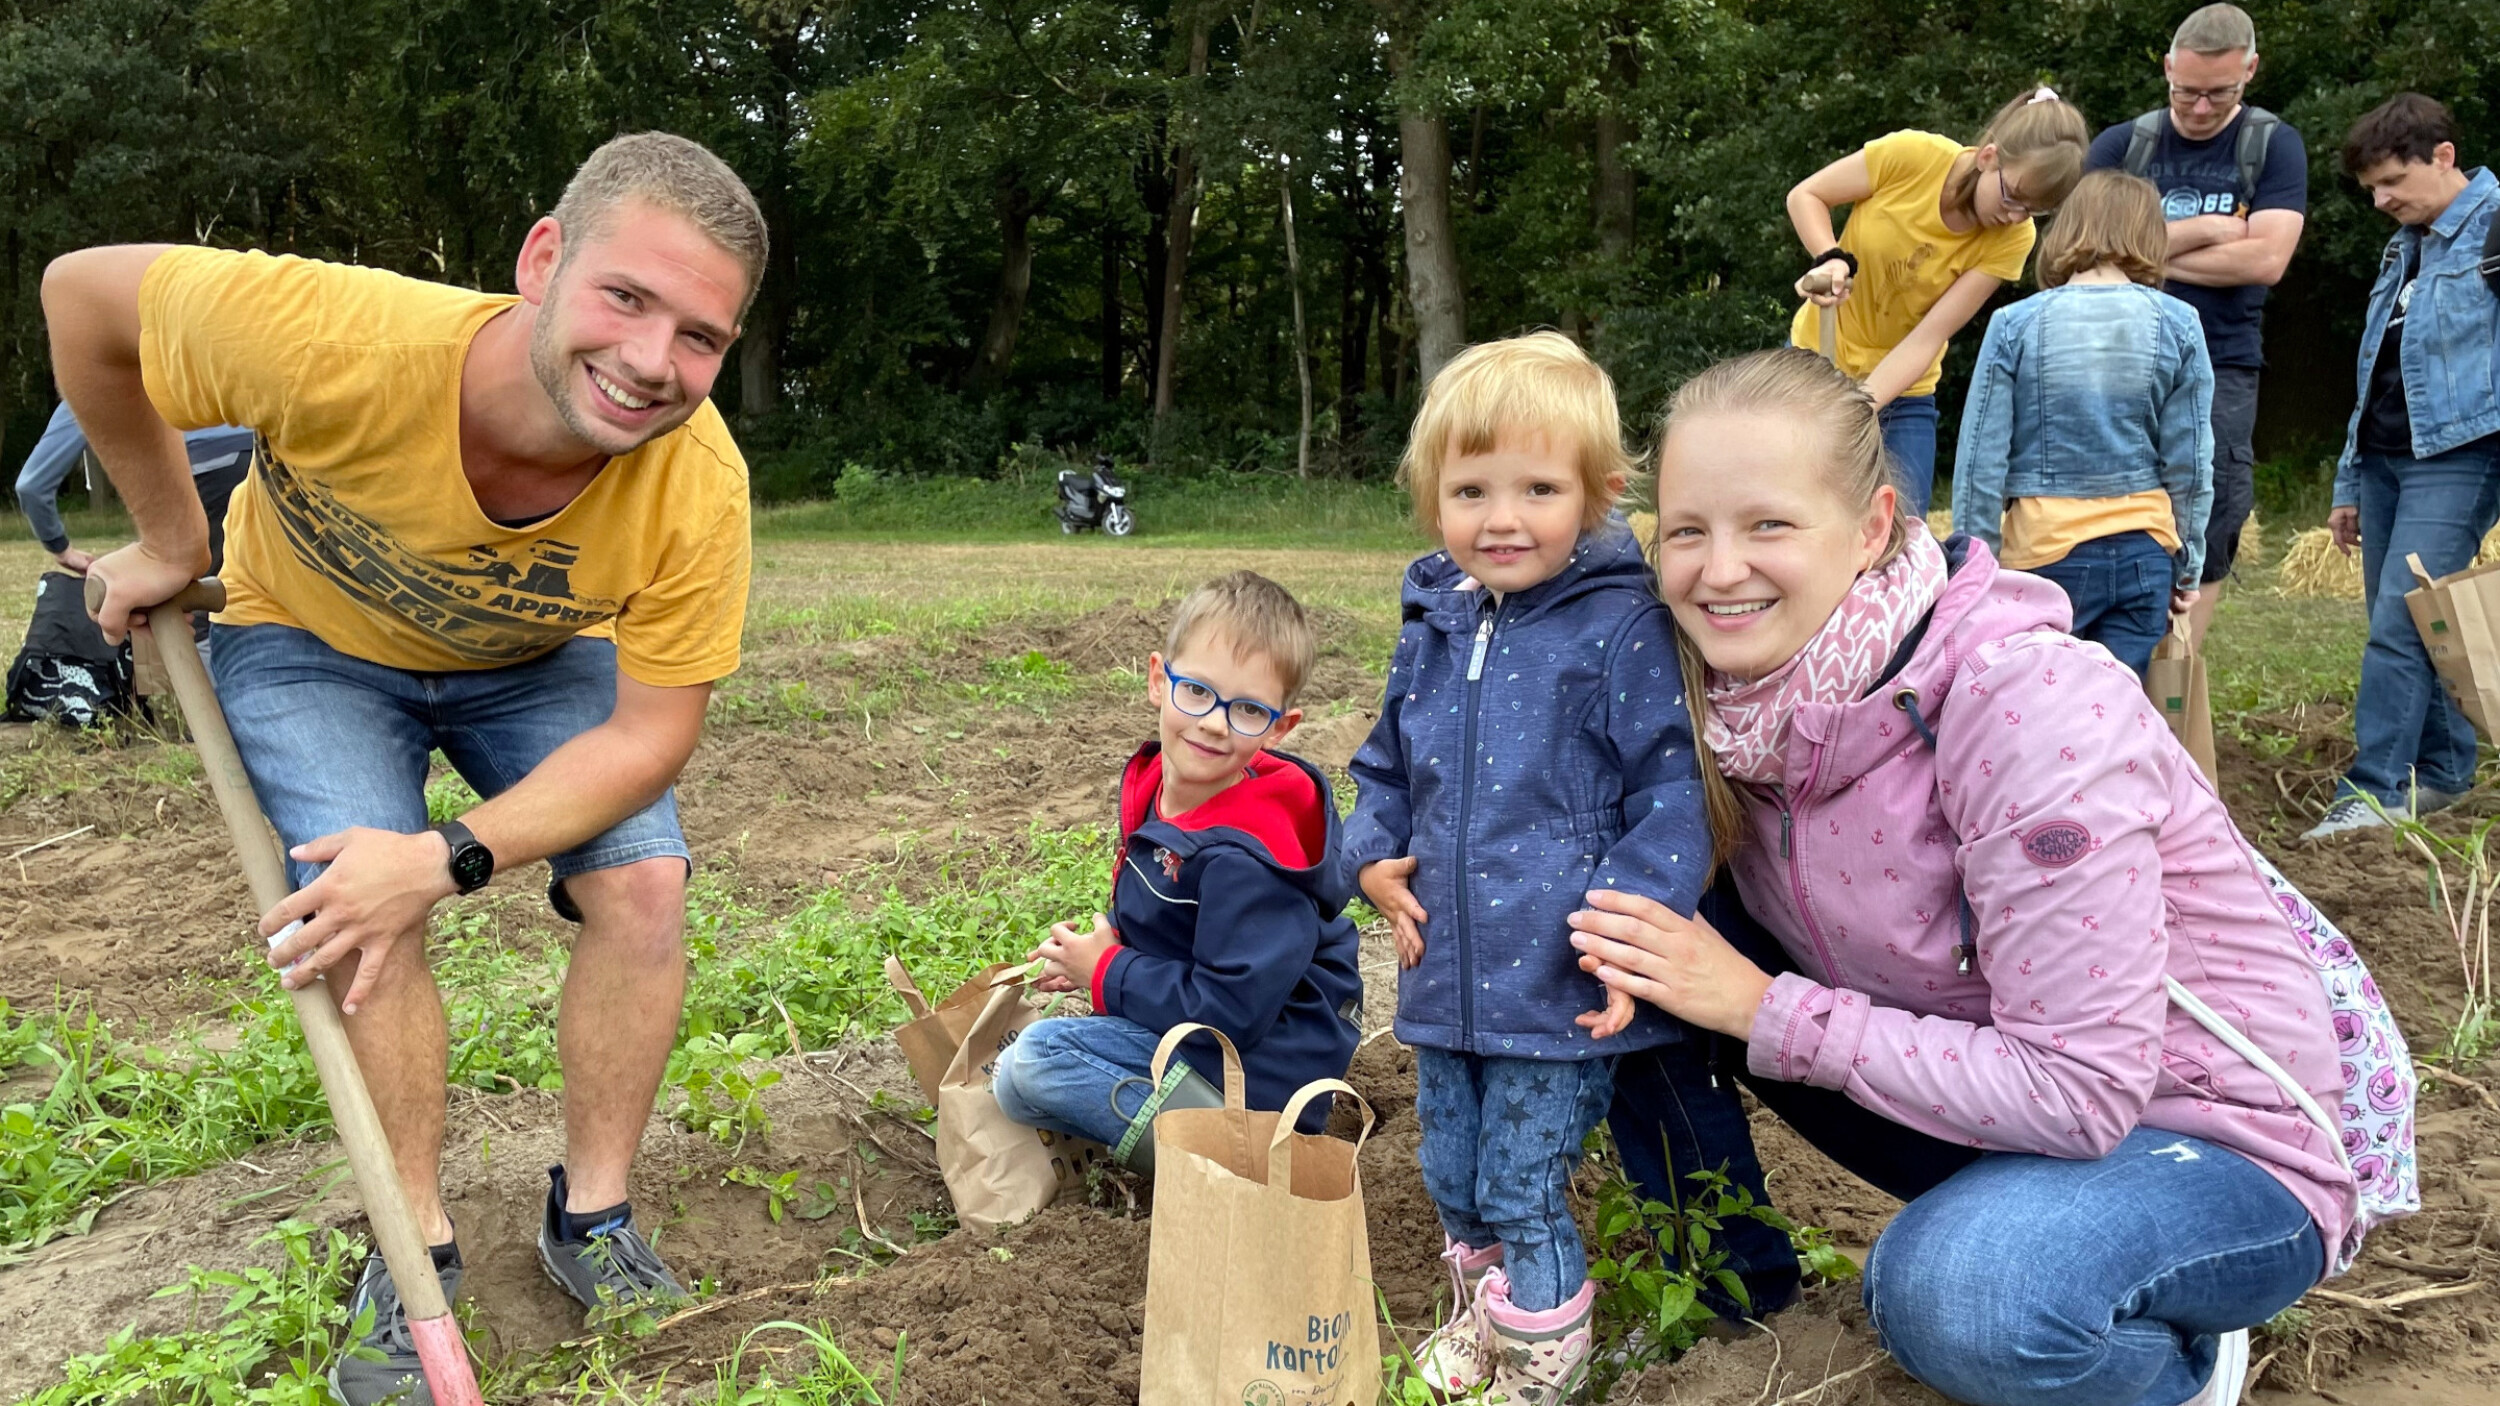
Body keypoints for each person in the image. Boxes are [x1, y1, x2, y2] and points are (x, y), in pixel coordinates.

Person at [43, 132, 763, 1405]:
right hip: (308, 637)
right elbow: (82, 296)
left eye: (700, 336)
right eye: (626, 297)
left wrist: (444, 855)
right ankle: (412, 1250)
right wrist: (172, 532)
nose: (655, 361)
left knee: (644, 885)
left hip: (537, 658)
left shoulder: (696, 486)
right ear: (545, 260)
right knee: (356, 922)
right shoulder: (334, 336)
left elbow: (650, 732)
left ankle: (591, 1217)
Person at [1573, 348, 2362, 1406]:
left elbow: (2082, 1091)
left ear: (1870, 528)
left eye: (1768, 525)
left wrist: (1764, 1007)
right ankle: (1734, 1301)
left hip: (2206, 1135)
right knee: (1621, 924)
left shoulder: (2020, 702)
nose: (1719, 569)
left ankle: (2169, 1357)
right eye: (1686, 531)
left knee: (1965, 1296)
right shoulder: (1728, 707)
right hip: (1984, 1096)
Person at [1343, 331, 1714, 1403]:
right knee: (1449, 1172)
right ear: (1430, 498)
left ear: (1598, 495)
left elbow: (1671, 786)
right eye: (1470, 489)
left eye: (1537, 487)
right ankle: (1481, 1320)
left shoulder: (1620, 627)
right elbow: (1383, 766)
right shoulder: (1432, 619)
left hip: (1556, 975)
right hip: (1441, 970)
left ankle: (1543, 1370)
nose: (1501, 517)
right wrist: (1371, 857)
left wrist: (1629, 932)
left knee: (1521, 1180)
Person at [993, 571, 1364, 1159]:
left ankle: (1240, 1158)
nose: (1214, 722)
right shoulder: (1160, 787)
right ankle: (1183, 1133)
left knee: (1036, 1062)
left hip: (1263, 1072)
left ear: (1281, 727)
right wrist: (1109, 949)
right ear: (1159, 679)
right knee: (1017, 1082)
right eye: (1197, 691)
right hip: (1209, 1042)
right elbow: (1184, 922)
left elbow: (1230, 1012)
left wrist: (1111, 972)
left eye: (1247, 709)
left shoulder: (1254, 854)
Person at [2304, 95, 2500, 842]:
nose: (2381, 201)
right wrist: (2350, 482)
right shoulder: (2403, 246)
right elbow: (2375, 370)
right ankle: (2445, 771)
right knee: (2416, 621)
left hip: (2459, 455)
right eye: (2372, 190)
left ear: (2443, 156)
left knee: (2398, 624)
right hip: (2385, 459)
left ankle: (2374, 790)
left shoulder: (2495, 230)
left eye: (2392, 182)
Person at [2085, 4, 2309, 648]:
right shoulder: (2123, 145)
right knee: (2108, 505)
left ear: (2251, 72)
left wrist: (2139, 248)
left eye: (2221, 94)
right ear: (2166, 70)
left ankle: (2178, 667)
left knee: (2210, 511)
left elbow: (2266, 259)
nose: (2202, 109)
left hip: (2223, 363)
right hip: (2113, 360)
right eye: (2187, 92)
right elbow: (2082, 251)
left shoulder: (2272, 144)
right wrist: (2212, 229)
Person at [1953, 169, 2215, 677]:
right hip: (2146, 554)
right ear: (2149, 236)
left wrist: (1973, 569)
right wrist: (2187, 566)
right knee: (2113, 724)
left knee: (2040, 716)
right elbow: (2192, 464)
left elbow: (1979, 465)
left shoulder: (2014, 325)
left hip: (2044, 559)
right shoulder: (2181, 323)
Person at [1787, 86, 2089, 515]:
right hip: (1815, 363)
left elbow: (1929, 337)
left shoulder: (2014, 239)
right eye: (2012, 196)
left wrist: (1857, 408)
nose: (2015, 217)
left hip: (1904, 391)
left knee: (1903, 536)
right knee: (1792, 515)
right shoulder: (1913, 156)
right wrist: (1831, 258)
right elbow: (1806, 196)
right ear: (1988, 157)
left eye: (2033, 210)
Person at [13, 401, 255, 575]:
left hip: (199, 470)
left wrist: (60, 548)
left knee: (192, 606)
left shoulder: (98, 363)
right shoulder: (195, 342)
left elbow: (32, 486)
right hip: (264, 457)